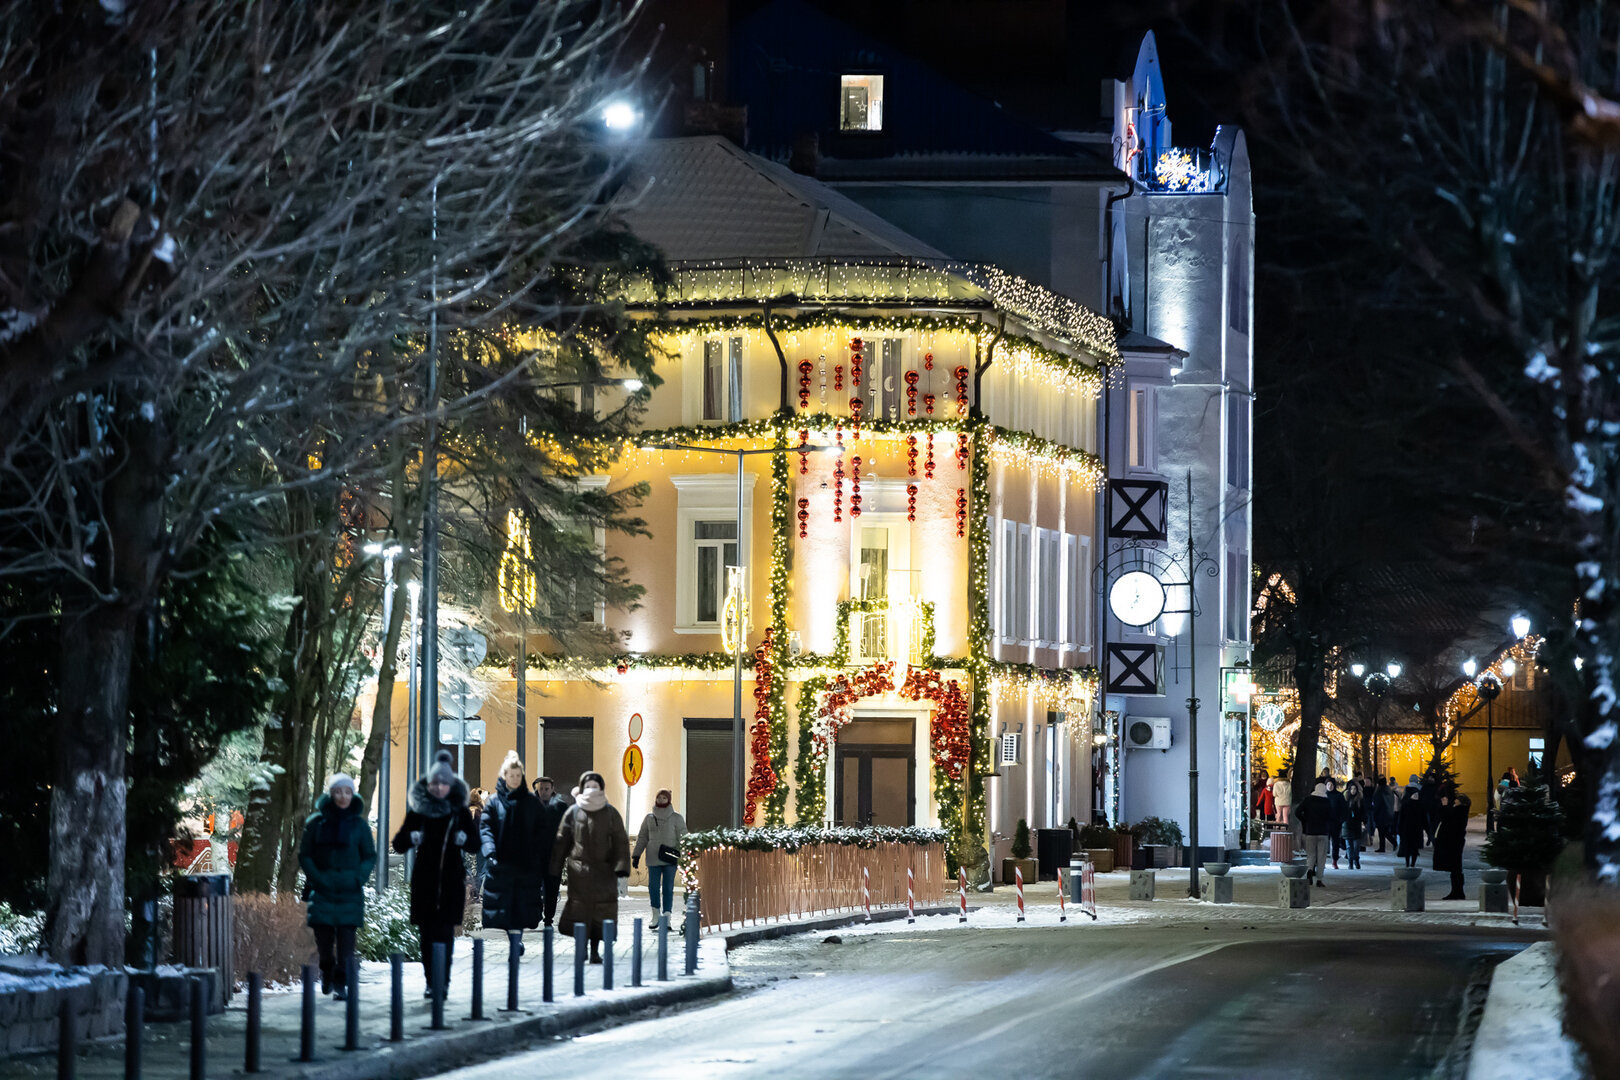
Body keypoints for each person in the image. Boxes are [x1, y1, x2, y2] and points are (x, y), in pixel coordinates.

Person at [393, 750, 476, 996]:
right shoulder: (419, 811)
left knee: (445, 935)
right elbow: (398, 843)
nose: (438, 787)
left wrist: (464, 839)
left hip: (451, 881)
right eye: (434, 783)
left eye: (443, 783)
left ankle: (444, 983)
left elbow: (476, 843)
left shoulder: (459, 812)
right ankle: (431, 982)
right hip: (425, 882)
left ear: (450, 785)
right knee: (427, 936)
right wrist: (412, 837)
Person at [298, 772, 376, 1001]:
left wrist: (357, 879)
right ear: (331, 794)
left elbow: (369, 856)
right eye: (338, 792)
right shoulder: (316, 823)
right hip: (322, 890)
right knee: (324, 943)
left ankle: (341, 983)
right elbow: (305, 855)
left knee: (346, 944)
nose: (343, 796)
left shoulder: (359, 826)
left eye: (347, 792)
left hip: (350, 892)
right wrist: (317, 878)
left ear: (353, 794)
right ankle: (327, 971)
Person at [551, 770, 631, 963]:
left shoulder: (610, 813)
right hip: (580, 873)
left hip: (604, 872)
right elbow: (562, 840)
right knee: (581, 912)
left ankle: (595, 951)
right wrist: (554, 866)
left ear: (601, 788)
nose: (592, 790)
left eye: (595, 786)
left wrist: (621, 865)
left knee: (600, 913)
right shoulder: (574, 812)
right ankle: (582, 949)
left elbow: (620, 840)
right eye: (588, 786)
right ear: (582, 788)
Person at [480, 751, 547, 956]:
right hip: (501, 863)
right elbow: (486, 828)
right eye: (511, 775)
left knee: (521, 907)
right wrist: (490, 852)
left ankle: (516, 939)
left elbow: (541, 829)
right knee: (506, 907)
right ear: (504, 776)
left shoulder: (531, 802)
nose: (515, 779)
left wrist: (538, 854)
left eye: (518, 775)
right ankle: (514, 941)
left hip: (525, 864)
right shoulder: (493, 802)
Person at [632, 788, 689, 923]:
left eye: (664, 798)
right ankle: (655, 915)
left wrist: (685, 854)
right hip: (653, 857)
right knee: (653, 887)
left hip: (670, 857)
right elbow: (642, 837)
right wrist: (636, 855)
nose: (661, 800)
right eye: (659, 798)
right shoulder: (649, 818)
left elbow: (684, 837)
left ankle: (667, 916)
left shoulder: (676, 818)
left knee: (668, 888)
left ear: (668, 800)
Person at [531, 776, 568, 926]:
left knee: (552, 888)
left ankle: (549, 917)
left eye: (546, 789)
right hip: (534, 854)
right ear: (536, 789)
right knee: (532, 886)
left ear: (552, 789)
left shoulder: (560, 807)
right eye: (541, 789)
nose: (544, 792)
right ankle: (537, 910)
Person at [1296, 781, 1335, 886]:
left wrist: (1305, 821)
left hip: (1310, 832)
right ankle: (1319, 879)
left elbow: (1297, 812)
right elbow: (1332, 816)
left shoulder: (1308, 800)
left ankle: (1309, 870)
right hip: (1323, 832)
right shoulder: (1327, 801)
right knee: (1321, 856)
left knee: (1311, 855)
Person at [1433, 790, 1471, 899]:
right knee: (1456, 868)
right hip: (1455, 842)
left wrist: (1444, 806)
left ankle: (1457, 892)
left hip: (1453, 842)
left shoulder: (1459, 811)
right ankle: (1457, 891)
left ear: (1461, 802)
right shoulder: (1459, 811)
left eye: (1457, 800)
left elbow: (1446, 818)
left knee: (1455, 868)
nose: (1454, 801)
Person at [1397, 778, 1427, 868]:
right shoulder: (1406, 805)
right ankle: (1407, 863)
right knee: (1407, 848)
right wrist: (1399, 829)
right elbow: (1401, 818)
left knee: (1414, 849)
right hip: (1407, 830)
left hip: (1417, 830)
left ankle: (1413, 864)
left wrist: (1426, 827)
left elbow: (1424, 818)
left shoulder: (1420, 805)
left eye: (1417, 794)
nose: (1416, 796)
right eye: (1415, 794)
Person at [1325, 778, 1349, 869]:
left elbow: (1344, 809)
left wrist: (1341, 820)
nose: (1330, 786)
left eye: (1331, 785)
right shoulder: (1323, 795)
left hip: (1335, 823)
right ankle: (1321, 861)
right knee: (1323, 843)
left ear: (1334, 786)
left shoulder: (1339, 796)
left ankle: (1334, 861)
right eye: (1328, 785)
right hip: (1325, 823)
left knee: (1335, 843)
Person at [1342, 779, 1366, 870]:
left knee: (1356, 846)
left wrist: (1364, 821)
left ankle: (1356, 859)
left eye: (1354, 789)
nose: (1353, 791)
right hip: (1347, 825)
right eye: (1351, 789)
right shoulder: (1345, 799)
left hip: (1356, 825)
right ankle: (1350, 862)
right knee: (1349, 846)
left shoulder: (1360, 800)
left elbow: (1364, 812)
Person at [1372, 777, 1396, 852]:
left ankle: (1385, 846)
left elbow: (1377, 804)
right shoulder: (1388, 790)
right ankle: (1391, 843)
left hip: (1381, 815)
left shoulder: (1379, 791)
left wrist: (1374, 813)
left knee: (1382, 832)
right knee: (1385, 831)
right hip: (1388, 814)